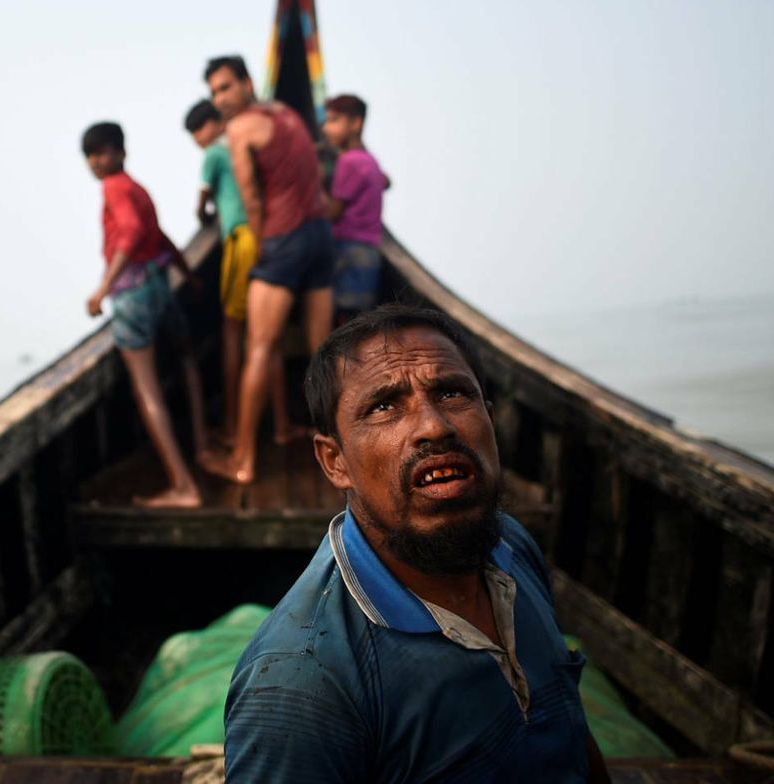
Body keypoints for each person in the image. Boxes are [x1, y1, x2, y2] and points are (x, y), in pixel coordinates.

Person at [224, 304, 611, 783]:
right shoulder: (301, 685)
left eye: (452, 392)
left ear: (490, 421)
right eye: (384, 406)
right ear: (334, 461)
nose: (434, 426)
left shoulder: (510, 546)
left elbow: (569, 729)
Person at [197, 55, 334, 485]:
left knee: (257, 348)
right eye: (214, 93)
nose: (219, 99)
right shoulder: (286, 113)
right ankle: (343, 454)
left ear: (246, 82)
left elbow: (251, 198)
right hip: (320, 236)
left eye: (225, 87)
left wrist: (259, 250)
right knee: (323, 353)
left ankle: (242, 461)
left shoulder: (240, 129)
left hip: (283, 240)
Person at [81, 121, 209, 508]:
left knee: (146, 387)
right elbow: (159, 235)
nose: (95, 161)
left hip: (133, 293)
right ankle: (203, 446)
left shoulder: (114, 187)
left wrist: (103, 288)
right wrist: (188, 275)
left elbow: (134, 230)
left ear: (119, 152)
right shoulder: (136, 188)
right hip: (159, 283)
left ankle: (183, 486)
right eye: (90, 155)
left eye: (101, 152)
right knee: (187, 356)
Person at [184, 99, 304, 449]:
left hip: (241, 240)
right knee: (269, 338)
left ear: (213, 124)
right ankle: (281, 424)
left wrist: (205, 215)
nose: (198, 139)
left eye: (198, 131)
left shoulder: (215, 153)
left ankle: (232, 426)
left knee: (233, 332)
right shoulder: (249, 149)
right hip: (268, 238)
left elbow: (203, 201)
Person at [321, 94, 387, 322]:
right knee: (357, 319)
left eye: (334, 120)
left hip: (348, 249)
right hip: (369, 251)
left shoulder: (349, 161)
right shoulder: (370, 161)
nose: (326, 128)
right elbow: (386, 181)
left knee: (343, 320)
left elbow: (333, 213)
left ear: (356, 123)